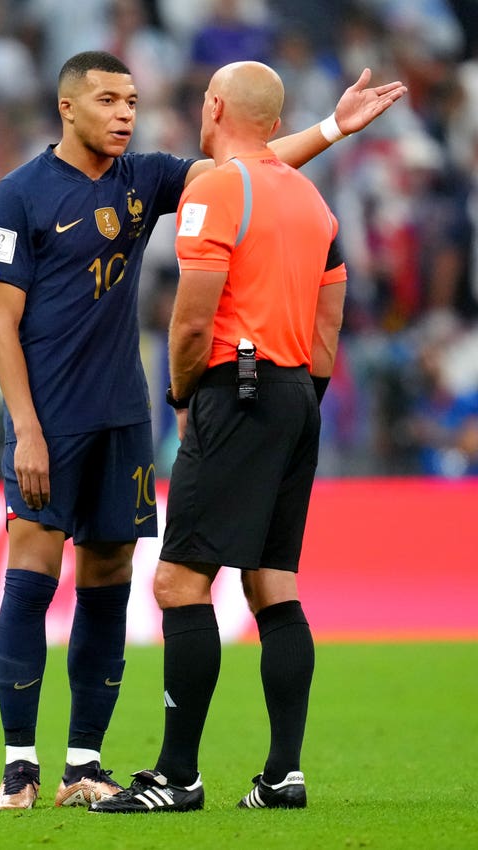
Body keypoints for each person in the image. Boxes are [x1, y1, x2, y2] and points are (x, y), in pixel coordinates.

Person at [0, 50, 406, 811]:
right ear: (66, 107)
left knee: (108, 583)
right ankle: (18, 767)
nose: (124, 113)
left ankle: (83, 762)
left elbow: (249, 162)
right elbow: (1, 323)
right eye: (108, 99)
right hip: (47, 421)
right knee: (32, 579)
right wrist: (25, 427)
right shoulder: (19, 195)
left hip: (123, 421)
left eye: (133, 100)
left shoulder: (143, 182)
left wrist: (332, 130)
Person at [89, 59, 347, 814]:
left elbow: (194, 317)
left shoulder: (215, 190)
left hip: (236, 392)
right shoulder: (311, 200)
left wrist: (180, 395)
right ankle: (283, 775)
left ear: (214, 108)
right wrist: (302, 398)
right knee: (273, 583)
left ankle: (177, 778)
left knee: (178, 582)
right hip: (297, 392)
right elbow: (329, 325)